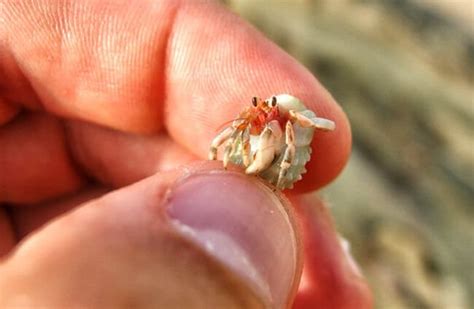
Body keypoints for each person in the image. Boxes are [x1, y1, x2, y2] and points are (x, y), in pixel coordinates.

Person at [0, 1, 371, 307]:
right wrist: (223, 146)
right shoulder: (260, 117)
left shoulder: (285, 124)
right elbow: (237, 128)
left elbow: (314, 129)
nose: (260, 115)